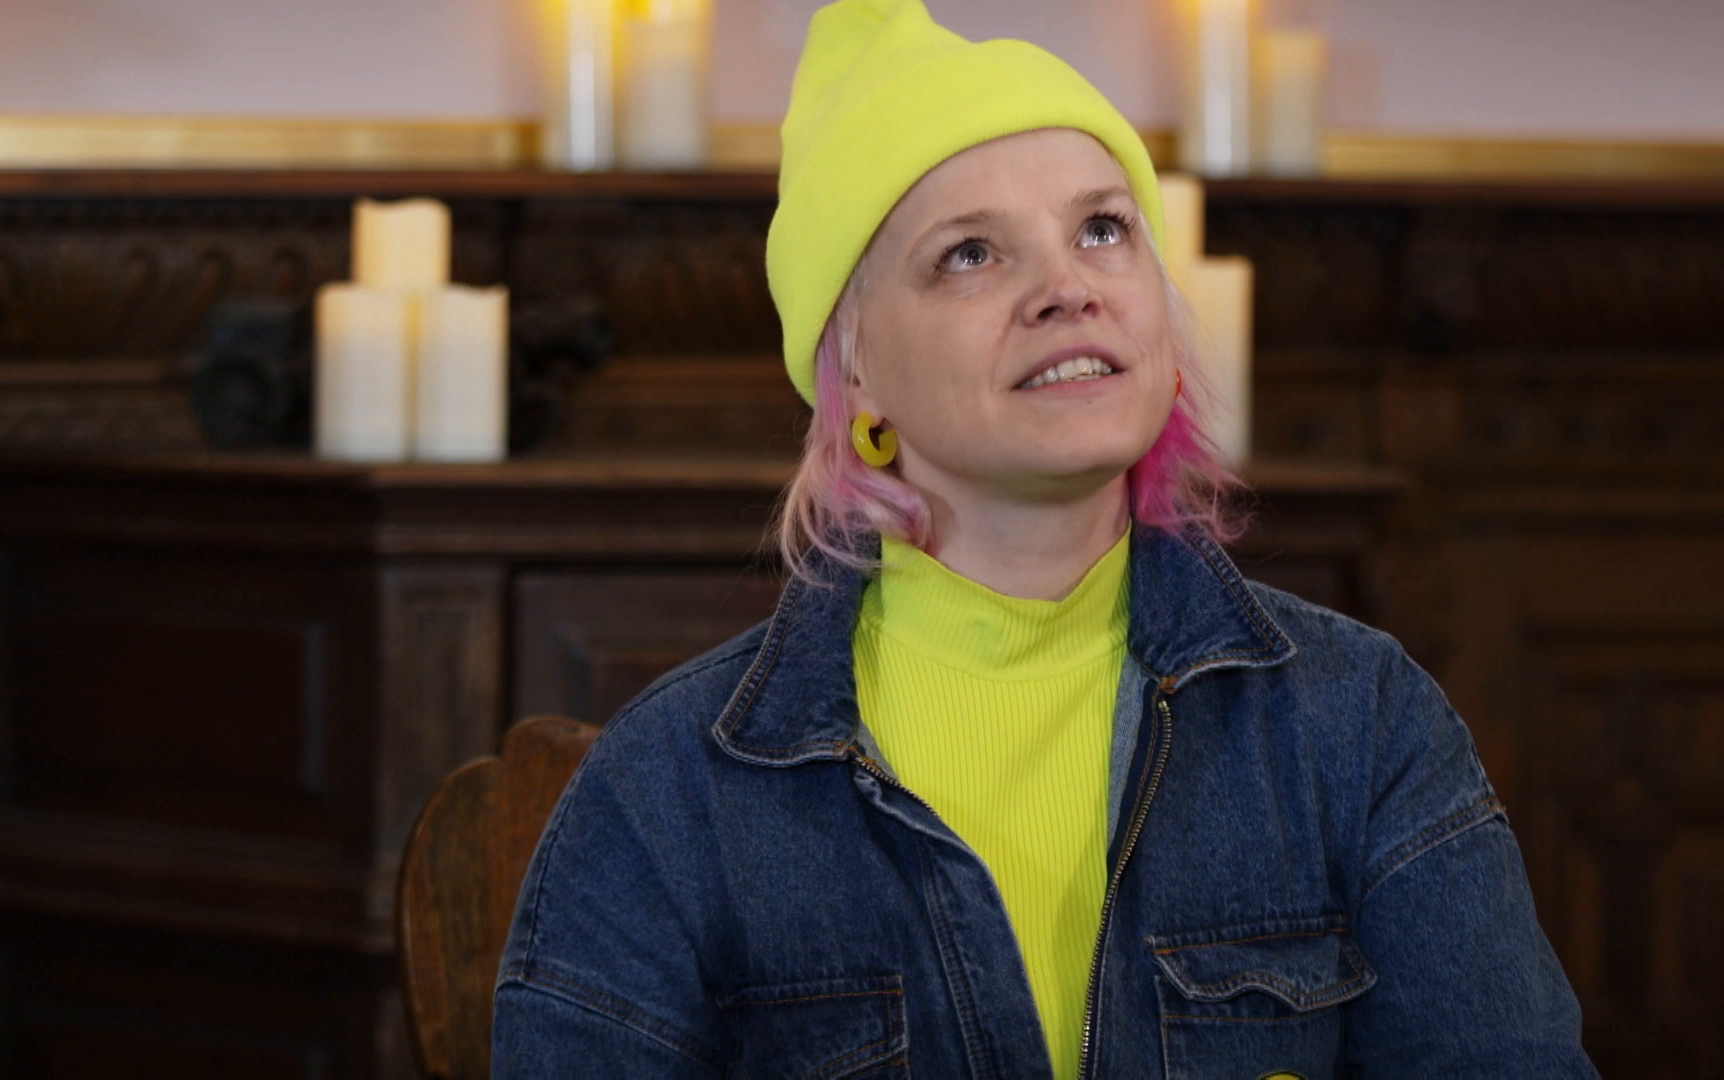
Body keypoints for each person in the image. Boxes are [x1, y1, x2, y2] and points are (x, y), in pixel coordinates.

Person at [490, 0, 1597, 1075]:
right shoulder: (667, 788)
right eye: (971, 253)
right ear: (855, 369)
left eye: (1103, 229)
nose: (1067, 288)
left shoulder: (1360, 721)